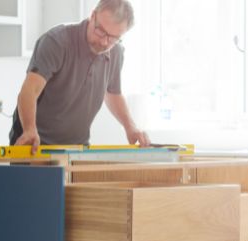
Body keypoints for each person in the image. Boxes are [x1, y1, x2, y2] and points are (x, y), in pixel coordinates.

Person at [9, 0, 150, 153]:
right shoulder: (57, 41)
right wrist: (29, 129)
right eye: (100, 31)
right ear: (92, 15)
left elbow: (113, 94)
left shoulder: (116, 52)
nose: (104, 42)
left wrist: (130, 127)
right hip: (34, 144)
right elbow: (30, 90)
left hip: (77, 147)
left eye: (113, 38)